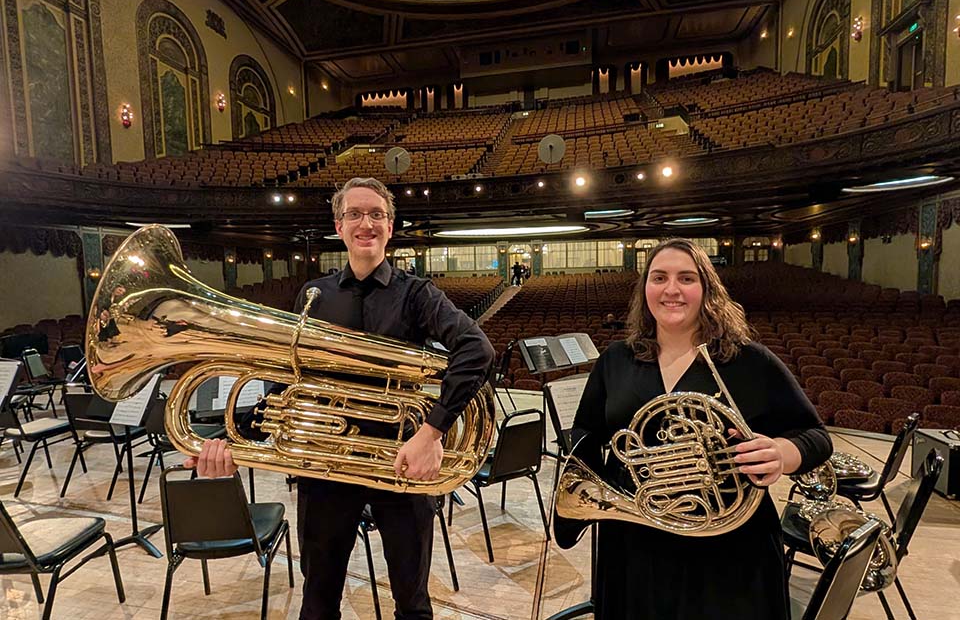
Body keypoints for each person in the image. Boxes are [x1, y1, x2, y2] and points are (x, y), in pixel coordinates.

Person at [187, 177, 495, 620]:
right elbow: (284, 387)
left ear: (391, 226)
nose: (365, 222)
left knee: (412, 602)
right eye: (354, 214)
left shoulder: (417, 295)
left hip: (400, 460)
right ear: (339, 225)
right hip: (324, 464)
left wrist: (431, 433)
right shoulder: (313, 295)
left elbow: (476, 349)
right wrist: (226, 441)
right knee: (318, 599)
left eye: (376, 214)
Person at [556, 238, 831, 619]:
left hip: (728, 548)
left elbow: (816, 436)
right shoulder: (617, 359)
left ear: (706, 289)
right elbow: (586, 432)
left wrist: (782, 454)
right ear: (645, 290)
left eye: (686, 278)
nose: (671, 289)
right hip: (635, 539)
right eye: (659, 278)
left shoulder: (748, 360)